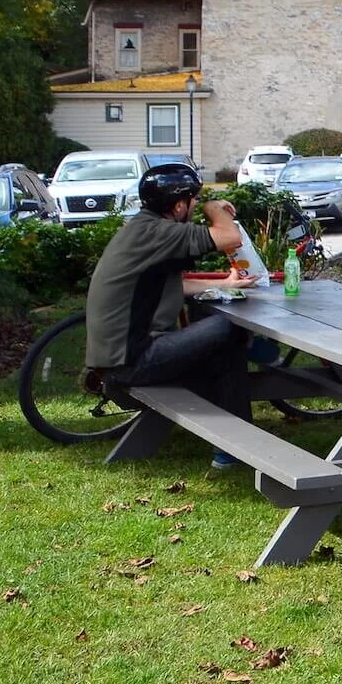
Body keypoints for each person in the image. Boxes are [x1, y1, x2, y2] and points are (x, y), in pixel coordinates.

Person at [82, 163, 256, 469]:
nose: (196, 206)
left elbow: (174, 283)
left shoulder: (142, 227)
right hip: (133, 362)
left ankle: (234, 448)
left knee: (224, 353)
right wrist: (215, 207)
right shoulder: (159, 232)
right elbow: (229, 237)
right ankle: (237, 446)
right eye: (193, 201)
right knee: (229, 328)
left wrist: (224, 283)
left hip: (116, 361)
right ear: (179, 205)